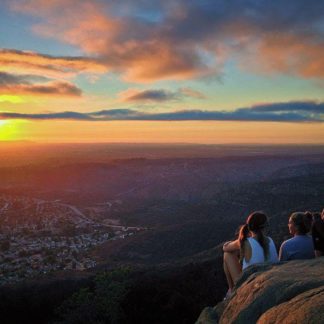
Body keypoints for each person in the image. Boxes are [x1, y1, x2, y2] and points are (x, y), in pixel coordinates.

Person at [223, 211, 278, 298]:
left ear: (249, 227)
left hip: (249, 285)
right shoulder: (270, 240)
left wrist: (231, 243)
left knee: (227, 254)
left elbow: (225, 248)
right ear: (265, 227)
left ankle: (231, 291)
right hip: (268, 280)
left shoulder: (245, 242)